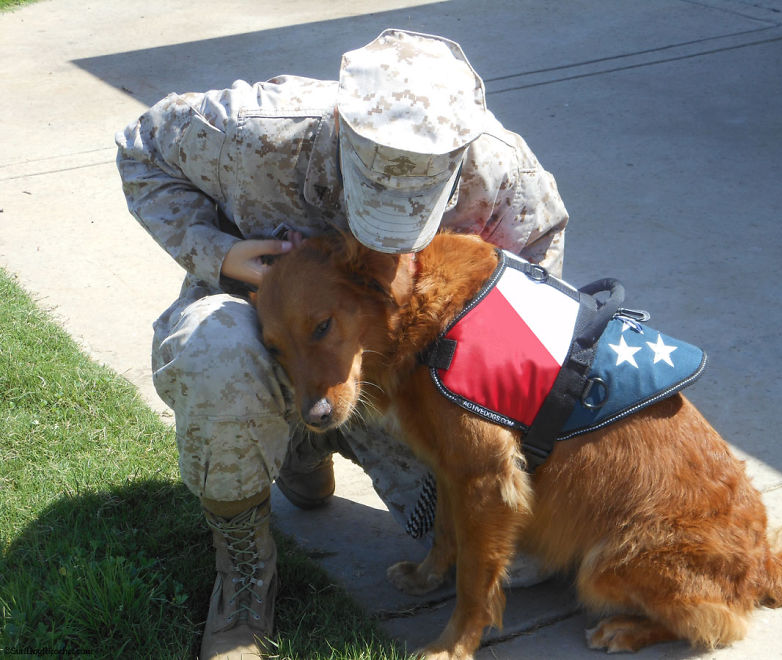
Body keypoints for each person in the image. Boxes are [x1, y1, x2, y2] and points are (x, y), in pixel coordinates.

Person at [115, 28, 568, 659]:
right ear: (340, 128)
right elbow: (140, 149)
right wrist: (220, 254)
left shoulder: (506, 177)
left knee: (524, 563)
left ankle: (316, 441)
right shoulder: (253, 130)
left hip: (410, 374)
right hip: (263, 332)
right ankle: (246, 570)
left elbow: (528, 329)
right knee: (216, 352)